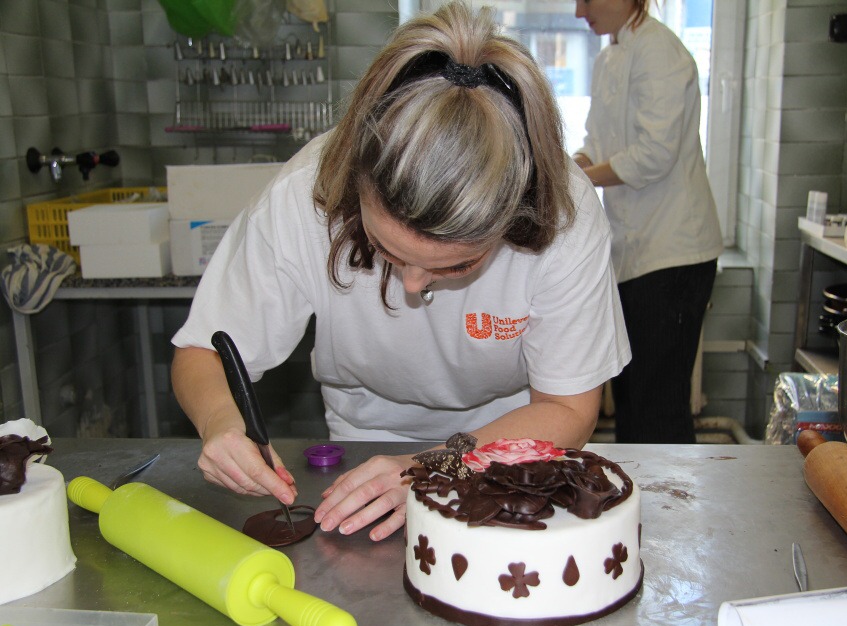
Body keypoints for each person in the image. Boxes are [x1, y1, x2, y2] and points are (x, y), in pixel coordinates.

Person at [170, 1, 629, 543]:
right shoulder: (304, 195)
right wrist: (221, 424)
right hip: (362, 441)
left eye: (457, 264)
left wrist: (430, 467)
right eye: (386, 249)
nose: (411, 286)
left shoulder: (562, 213)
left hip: (508, 445)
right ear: (353, 187)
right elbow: (202, 352)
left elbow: (567, 408)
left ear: (517, 219)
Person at [572, 0, 722, 444]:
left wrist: (580, 178)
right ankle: (638, 488)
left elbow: (654, 154)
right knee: (632, 399)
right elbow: (596, 145)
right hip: (632, 255)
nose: (579, 11)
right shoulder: (608, 59)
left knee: (658, 406)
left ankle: (666, 490)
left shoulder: (660, 50)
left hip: (673, 253)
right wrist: (565, 166)